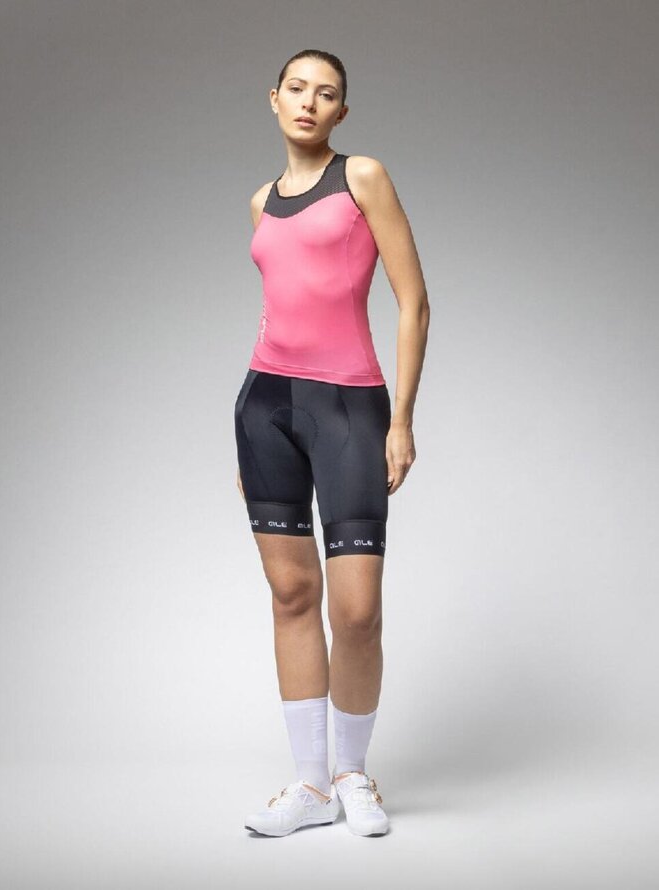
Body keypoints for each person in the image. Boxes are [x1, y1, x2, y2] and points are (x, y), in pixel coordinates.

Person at [234, 49, 429, 837]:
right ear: (274, 98)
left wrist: (402, 419)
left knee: (357, 611)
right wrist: (249, 433)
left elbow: (414, 302)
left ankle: (353, 773)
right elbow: (280, 310)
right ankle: (311, 786)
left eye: (327, 94)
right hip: (266, 407)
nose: (309, 102)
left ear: (341, 112)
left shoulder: (363, 178)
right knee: (291, 596)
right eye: (298, 89)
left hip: (350, 408)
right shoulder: (260, 202)